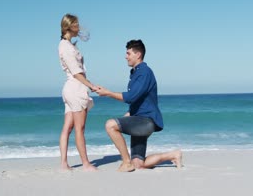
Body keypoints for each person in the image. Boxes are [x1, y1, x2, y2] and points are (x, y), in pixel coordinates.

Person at [95, 39, 183, 172]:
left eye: (128, 53)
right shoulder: (136, 72)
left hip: (145, 122)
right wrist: (130, 113)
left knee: (110, 125)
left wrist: (108, 93)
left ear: (138, 54)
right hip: (140, 120)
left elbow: (131, 97)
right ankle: (173, 155)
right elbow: (140, 99)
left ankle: (126, 162)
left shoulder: (144, 72)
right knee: (139, 164)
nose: (126, 57)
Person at [58, 13, 97, 171]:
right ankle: (86, 164)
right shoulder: (66, 47)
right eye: (76, 24)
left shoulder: (67, 45)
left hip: (71, 88)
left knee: (67, 128)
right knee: (80, 128)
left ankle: (63, 164)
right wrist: (91, 85)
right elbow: (76, 72)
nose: (79, 27)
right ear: (69, 26)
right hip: (76, 88)